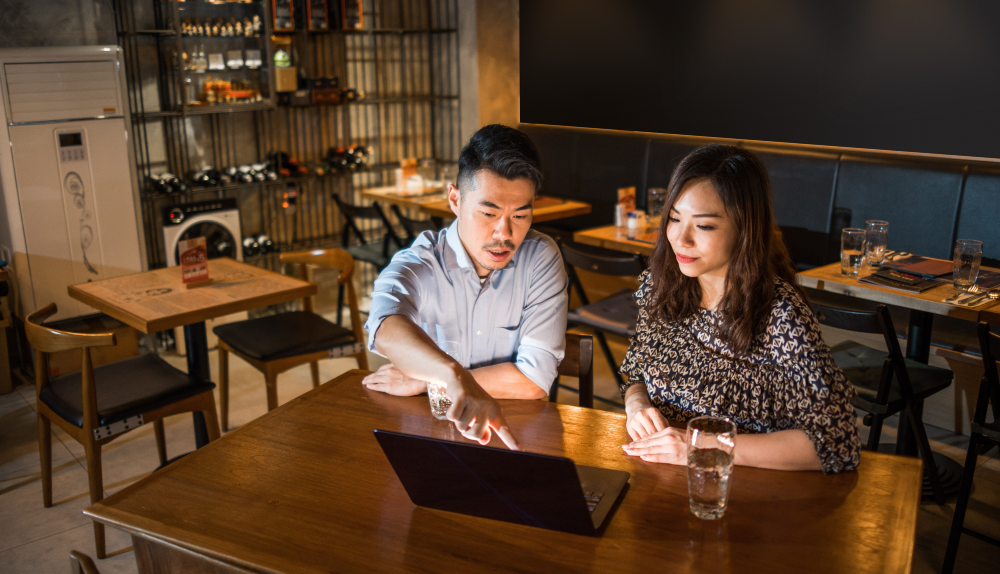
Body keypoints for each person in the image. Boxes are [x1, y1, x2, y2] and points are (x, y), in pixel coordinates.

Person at [619, 144, 861, 473]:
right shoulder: (661, 285)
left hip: (746, 490)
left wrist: (698, 445)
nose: (681, 238)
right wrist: (636, 404)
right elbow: (636, 369)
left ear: (744, 230)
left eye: (704, 226)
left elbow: (836, 442)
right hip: (664, 478)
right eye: (674, 218)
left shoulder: (779, 313)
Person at [362, 124, 569, 451]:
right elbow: (385, 326)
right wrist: (453, 377)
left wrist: (425, 381)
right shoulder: (422, 261)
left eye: (520, 215)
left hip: (516, 437)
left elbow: (533, 382)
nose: (504, 233)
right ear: (455, 199)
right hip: (434, 436)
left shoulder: (539, 257)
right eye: (489, 212)